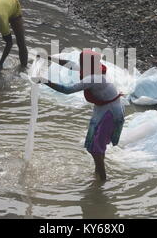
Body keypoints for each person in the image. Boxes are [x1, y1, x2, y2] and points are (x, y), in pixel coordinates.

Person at [38, 50, 125, 181]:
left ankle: (102, 181)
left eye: (81, 61)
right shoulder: (91, 69)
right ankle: (98, 175)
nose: (79, 63)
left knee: (96, 149)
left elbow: (67, 90)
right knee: (96, 146)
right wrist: (48, 57)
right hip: (104, 109)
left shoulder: (94, 78)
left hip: (110, 113)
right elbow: (69, 64)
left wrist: (44, 81)